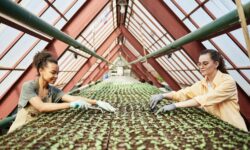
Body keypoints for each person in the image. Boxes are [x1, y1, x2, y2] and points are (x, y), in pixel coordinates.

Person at [8, 51, 116, 133]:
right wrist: (70, 105)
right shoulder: (28, 86)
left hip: (37, 130)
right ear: (41, 70)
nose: (56, 76)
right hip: (20, 130)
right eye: (53, 72)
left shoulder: (53, 90)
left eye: (57, 73)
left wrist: (96, 102)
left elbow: (73, 98)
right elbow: (41, 107)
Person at [149, 49, 248, 132]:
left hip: (234, 128)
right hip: (217, 127)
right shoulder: (202, 83)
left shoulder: (227, 81)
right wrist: (163, 96)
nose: (201, 67)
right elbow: (183, 93)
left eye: (205, 63)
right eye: (199, 64)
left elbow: (205, 99)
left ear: (216, 64)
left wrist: (175, 105)